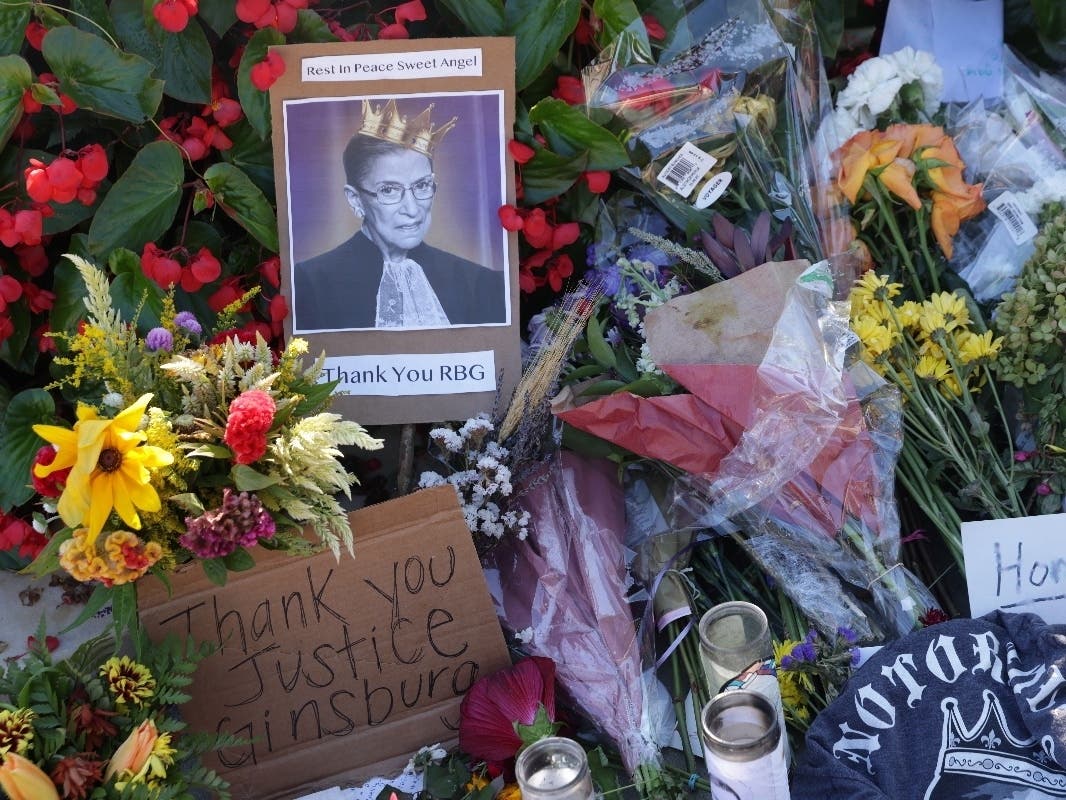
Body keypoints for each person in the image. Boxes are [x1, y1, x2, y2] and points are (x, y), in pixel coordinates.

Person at [294, 99, 507, 331]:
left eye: (422, 185)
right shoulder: (309, 284)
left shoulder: (482, 284)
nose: (412, 209)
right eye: (388, 190)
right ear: (356, 200)